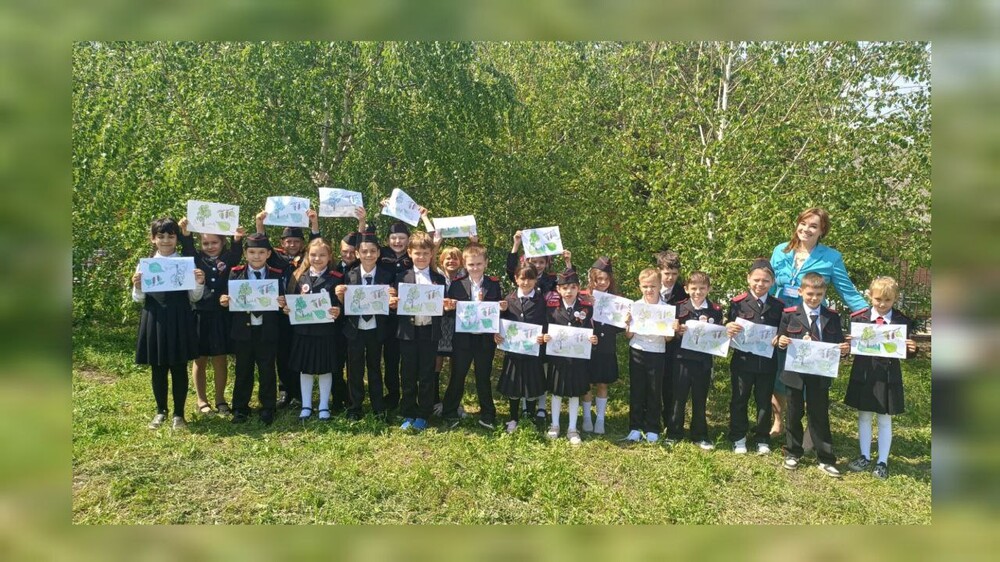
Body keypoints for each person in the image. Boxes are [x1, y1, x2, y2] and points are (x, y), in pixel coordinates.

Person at [768, 207, 867, 438]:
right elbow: (769, 285)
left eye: (813, 226)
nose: (806, 229)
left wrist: (871, 318)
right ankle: (778, 421)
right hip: (783, 322)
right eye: (803, 223)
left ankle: (809, 430)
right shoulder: (780, 251)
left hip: (811, 324)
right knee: (779, 373)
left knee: (808, 374)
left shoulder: (831, 257)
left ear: (822, 231)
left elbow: (848, 291)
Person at [132, 217, 206, 430]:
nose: (166, 240)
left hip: (179, 318)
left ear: (177, 239)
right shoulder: (145, 264)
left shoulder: (186, 263)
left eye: (171, 236)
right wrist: (137, 286)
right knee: (158, 367)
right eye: (161, 236)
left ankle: (179, 415)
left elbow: (194, 297)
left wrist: (199, 282)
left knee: (179, 367)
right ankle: (160, 411)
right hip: (154, 318)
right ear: (153, 239)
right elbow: (138, 299)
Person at [843, 276, 918, 479]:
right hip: (863, 373)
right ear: (870, 296)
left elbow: (905, 350)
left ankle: (882, 462)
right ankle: (864, 456)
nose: (882, 304)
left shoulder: (902, 321)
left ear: (895, 299)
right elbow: (849, 348)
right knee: (864, 416)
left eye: (888, 300)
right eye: (878, 299)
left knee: (884, 419)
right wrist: (847, 346)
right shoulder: (859, 319)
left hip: (888, 375)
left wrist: (913, 349)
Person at [776, 272, 850, 477]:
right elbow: (780, 338)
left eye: (819, 294)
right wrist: (781, 341)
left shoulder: (832, 317)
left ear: (825, 293)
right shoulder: (789, 314)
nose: (814, 298)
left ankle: (825, 458)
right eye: (809, 294)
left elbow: (838, 343)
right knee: (793, 413)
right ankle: (793, 452)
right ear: (801, 292)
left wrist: (844, 349)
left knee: (819, 414)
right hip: (795, 373)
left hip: (820, 373)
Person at [177, 218, 245, 416]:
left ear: (222, 242)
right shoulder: (196, 258)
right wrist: (185, 234)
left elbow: (237, 253)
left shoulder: (228, 259)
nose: (210, 246)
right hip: (200, 314)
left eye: (214, 242)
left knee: (220, 358)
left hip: (221, 316)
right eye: (205, 243)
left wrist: (237, 239)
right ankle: (201, 400)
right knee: (200, 359)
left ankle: (220, 399)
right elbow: (188, 249)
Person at [256, 208, 321, 410]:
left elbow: (317, 242)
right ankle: (284, 391)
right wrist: (260, 224)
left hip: (303, 312)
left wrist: (314, 223)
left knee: (300, 352)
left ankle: (300, 393)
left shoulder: (308, 258)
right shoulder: (276, 258)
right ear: (282, 242)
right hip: (280, 314)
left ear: (302, 243)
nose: (292, 244)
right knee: (282, 353)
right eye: (288, 241)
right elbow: (261, 244)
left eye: (296, 241)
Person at [505, 232, 573, 427]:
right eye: (534, 261)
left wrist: (568, 263)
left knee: (539, 372)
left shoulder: (551, 279)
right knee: (525, 373)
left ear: (547, 263)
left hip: (543, 332)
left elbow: (569, 282)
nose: (538, 265)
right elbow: (511, 269)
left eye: (542, 262)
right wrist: (516, 244)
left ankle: (540, 407)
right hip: (522, 339)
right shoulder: (520, 280)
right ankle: (524, 410)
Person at [219, 233, 286, 426]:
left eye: (261, 252)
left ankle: (268, 407)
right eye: (252, 252)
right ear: (245, 254)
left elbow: (283, 300)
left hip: (267, 330)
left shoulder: (276, 274)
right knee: (243, 370)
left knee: (267, 370)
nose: (256, 256)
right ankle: (240, 408)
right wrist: (224, 300)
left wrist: (282, 302)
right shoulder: (235, 273)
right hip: (243, 331)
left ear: (268, 254)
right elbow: (226, 296)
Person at [724, 259, 785, 455]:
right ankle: (738, 437)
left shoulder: (779, 306)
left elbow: (783, 330)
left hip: (767, 363)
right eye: (756, 280)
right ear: (748, 278)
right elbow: (727, 325)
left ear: (772, 282)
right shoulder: (737, 303)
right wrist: (728, 327)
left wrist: (780, 337)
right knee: (739, 399)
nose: (760, 284)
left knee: (764, 401)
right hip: (742, 361)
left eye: (765, 281)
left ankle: (762, 438)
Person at [334, 231, 396, 422]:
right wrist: (340, 297)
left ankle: (378, 406)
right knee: (354, 369)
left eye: (373, 251)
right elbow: (343, 306)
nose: (369, 255)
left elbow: (392, 305)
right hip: (355, 329)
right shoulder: (348, 275)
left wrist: (392, 299)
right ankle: (355, 406)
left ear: (378, 253)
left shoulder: (387, 276)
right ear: (357, 254)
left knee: (375, 368)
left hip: (377, 329)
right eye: (364, 251)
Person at [389, 231, 447, 432]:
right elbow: (394, 304)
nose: (421, 257)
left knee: (426, 374)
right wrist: (393, 303)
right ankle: (408, 412)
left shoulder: (439, 279)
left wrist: (446, 305)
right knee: (407, 373)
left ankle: (423, 414)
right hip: (408, 332)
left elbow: (443, 307)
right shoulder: (401, 277)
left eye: (425, 253)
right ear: (410, 253)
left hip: (429, 332)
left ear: (431, 254)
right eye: (417, 253)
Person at [441, 244, 503, 429]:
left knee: (483, 376)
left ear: (486, 263)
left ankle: (488, 414)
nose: (475, 268)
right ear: (464, 264)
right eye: (471, 264)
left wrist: (501, 308)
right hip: (463, 339)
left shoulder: (493, 284)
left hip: (485, 339)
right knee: (458, 375)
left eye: (478, 264)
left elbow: (497, 312)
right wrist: (449, 307)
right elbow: (450, 312)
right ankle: (449, 412)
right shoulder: (457, 284)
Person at [283, 238, 343, 421]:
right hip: (304, 331)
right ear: (307, 255)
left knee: (325, 369)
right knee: (305, 369)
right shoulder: (299, 277)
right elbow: (291, 302)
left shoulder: (337, 277)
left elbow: (341, 303)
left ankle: (324, 405)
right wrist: (287, 309)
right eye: (313, 254)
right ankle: (306, 405)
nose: (317, 258)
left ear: (329, 256)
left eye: (322, 255)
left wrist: (338, 310)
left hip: (326, 332)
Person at [666, 271, 724, 449]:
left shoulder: (715, 310)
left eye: (702, 288)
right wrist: (676, 330)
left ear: (709, 289)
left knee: (700, 398)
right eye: (694, 288)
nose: (698, 292)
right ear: (686, 289)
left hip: (703, 362)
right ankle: (674, 433)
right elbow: (669, 334)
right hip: (681, 359)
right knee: (678, 397)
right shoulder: (678, 308)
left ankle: (700, 435)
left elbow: (718, 336)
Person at [542, 269, 599, 445]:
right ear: (558, 290)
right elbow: (545, 329)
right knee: (557, 392)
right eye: (565, 288)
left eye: (573, 287)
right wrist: (545, 337)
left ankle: (572, 428)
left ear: (578, 288)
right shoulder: (552, 308)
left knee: (574, 394)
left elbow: (590, 330)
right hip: (558, 359)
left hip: (577, 359)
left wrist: (593, 340)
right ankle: (555, 425)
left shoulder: (586, 308)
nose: (569, 291)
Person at [495, 264, 547, 434]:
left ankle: (529, 418)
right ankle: (513, 418)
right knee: (514, 386)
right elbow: (499, 323)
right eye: (522, 278)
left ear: (536, 279)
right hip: (513, 352)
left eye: (530, 278)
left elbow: (546, 323)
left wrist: (543, 336)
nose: (526, 282)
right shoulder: (508, 300)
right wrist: (497, 333)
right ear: (516, 279)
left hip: (532, 352)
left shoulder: (541, 301)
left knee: (532, 386)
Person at [622, 268, 671, 443]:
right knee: (637, 390)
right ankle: (635, 427)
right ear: (640, 287)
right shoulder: (635, 306)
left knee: (654, 391)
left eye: (653, 286)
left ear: (660, 286)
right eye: (645, 286)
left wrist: (670, 328)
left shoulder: (666, 309)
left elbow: (668, 339)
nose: (649, 290)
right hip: (637, 350)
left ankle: (652, 428)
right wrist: (628, 324)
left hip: (657, 352)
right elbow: (628, 336)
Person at [328, 207, 368, 413]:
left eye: (352, 252)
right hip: (335, 324)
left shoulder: (363, 268)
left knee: (354, 366)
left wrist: (362, 223)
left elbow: (364, 242)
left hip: (355, 324)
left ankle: (353, 400)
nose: (348, 255)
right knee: (335, 363)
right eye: (344, 251)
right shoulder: (333, 268)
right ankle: (338, 398)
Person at [580, 257, 624, 435]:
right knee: (586, 384)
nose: (603, 282)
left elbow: (619, 327)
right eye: (599, 279)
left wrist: (626, 319)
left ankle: (600, 419)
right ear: (593, 279)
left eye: (606, 279)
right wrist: (588, 306)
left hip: (606, 347)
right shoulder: (583, 296)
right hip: (587, 347)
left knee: (602, 383)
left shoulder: (617, 300)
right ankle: (586, 418)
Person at [655, 250, 688, 434]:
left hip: (675, 346)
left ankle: (670, 423)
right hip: (652, 344)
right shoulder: (651, 288)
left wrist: (681, 327)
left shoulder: (684, 292)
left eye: (674, 274)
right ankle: (650, 421)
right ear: (659, 270)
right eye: (667, 273)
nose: (670, 278)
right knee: (652, 384)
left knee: (670, 385)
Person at [433, 245, 465, 417]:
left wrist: (473, 241)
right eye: (448, 258)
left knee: (456, 365)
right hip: (440, 324)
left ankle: (453, 402)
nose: (451, 261)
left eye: (455, 258)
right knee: (436, 362)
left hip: (458, 325)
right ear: (441, 260)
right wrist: (437, 243)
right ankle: (434, 401)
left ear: (461, 261)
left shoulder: (465, 276)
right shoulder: (436, 275)